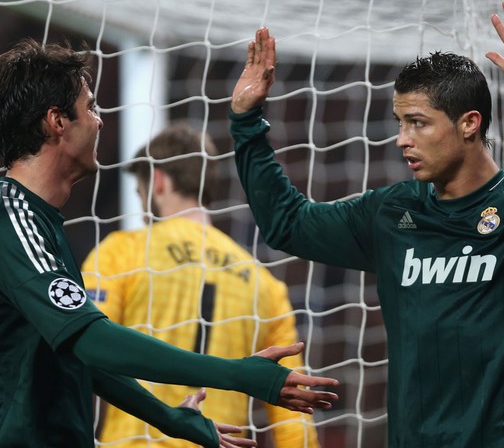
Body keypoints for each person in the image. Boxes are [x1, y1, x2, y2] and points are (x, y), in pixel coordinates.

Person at [227, 0, 504, 447]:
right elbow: (286, 224)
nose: (402, 139)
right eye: (400, 122)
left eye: (418, 123)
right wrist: (246, 121)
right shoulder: (391, 214)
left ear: (469, 123)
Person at [0, 38, 339, 448]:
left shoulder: (96, 244)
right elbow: (91, 340)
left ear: (156, 181)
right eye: (90, 106)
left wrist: (172, 419)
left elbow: (81, 350)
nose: (100, 121)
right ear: (56, 120)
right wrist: (237, 373)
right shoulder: (11, 217)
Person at [81, 123, 321, 447]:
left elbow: (84, 352)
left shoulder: (121, 252)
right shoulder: (265, 284)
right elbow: (293, 408)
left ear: (158, 181)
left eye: (140, 192)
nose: (141, 206)